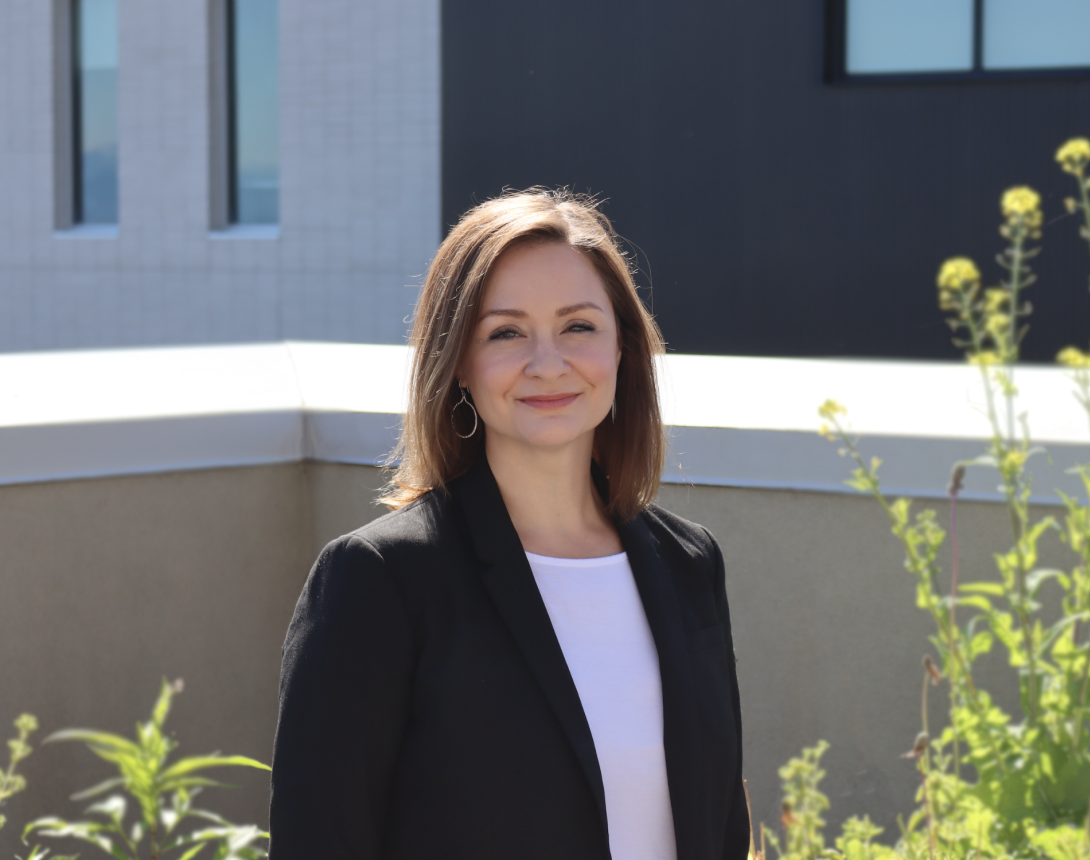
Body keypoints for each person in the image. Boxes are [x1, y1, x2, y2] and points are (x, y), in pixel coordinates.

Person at [269, 188, 748, 860]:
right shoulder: (382, 581)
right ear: (459, 362)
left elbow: (721, 824)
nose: (547, 363)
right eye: (506, 333)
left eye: (579, 327)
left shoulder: (689, 563)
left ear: (622, 350)